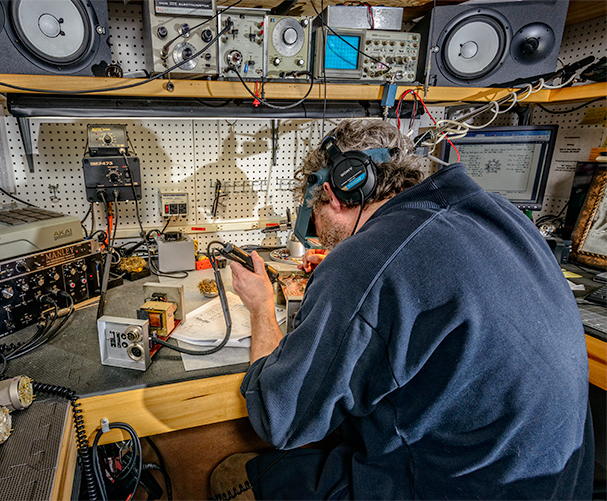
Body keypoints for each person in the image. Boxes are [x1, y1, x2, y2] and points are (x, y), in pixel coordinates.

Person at [210, 119, 593, 500]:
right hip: (557, 481)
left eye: (318, 216)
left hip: (451, 488)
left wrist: (261, 305)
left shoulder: (364, 260)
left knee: (236, 476)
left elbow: (279, 419)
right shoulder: (500, 213)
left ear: (335, 192)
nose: (320, 235)